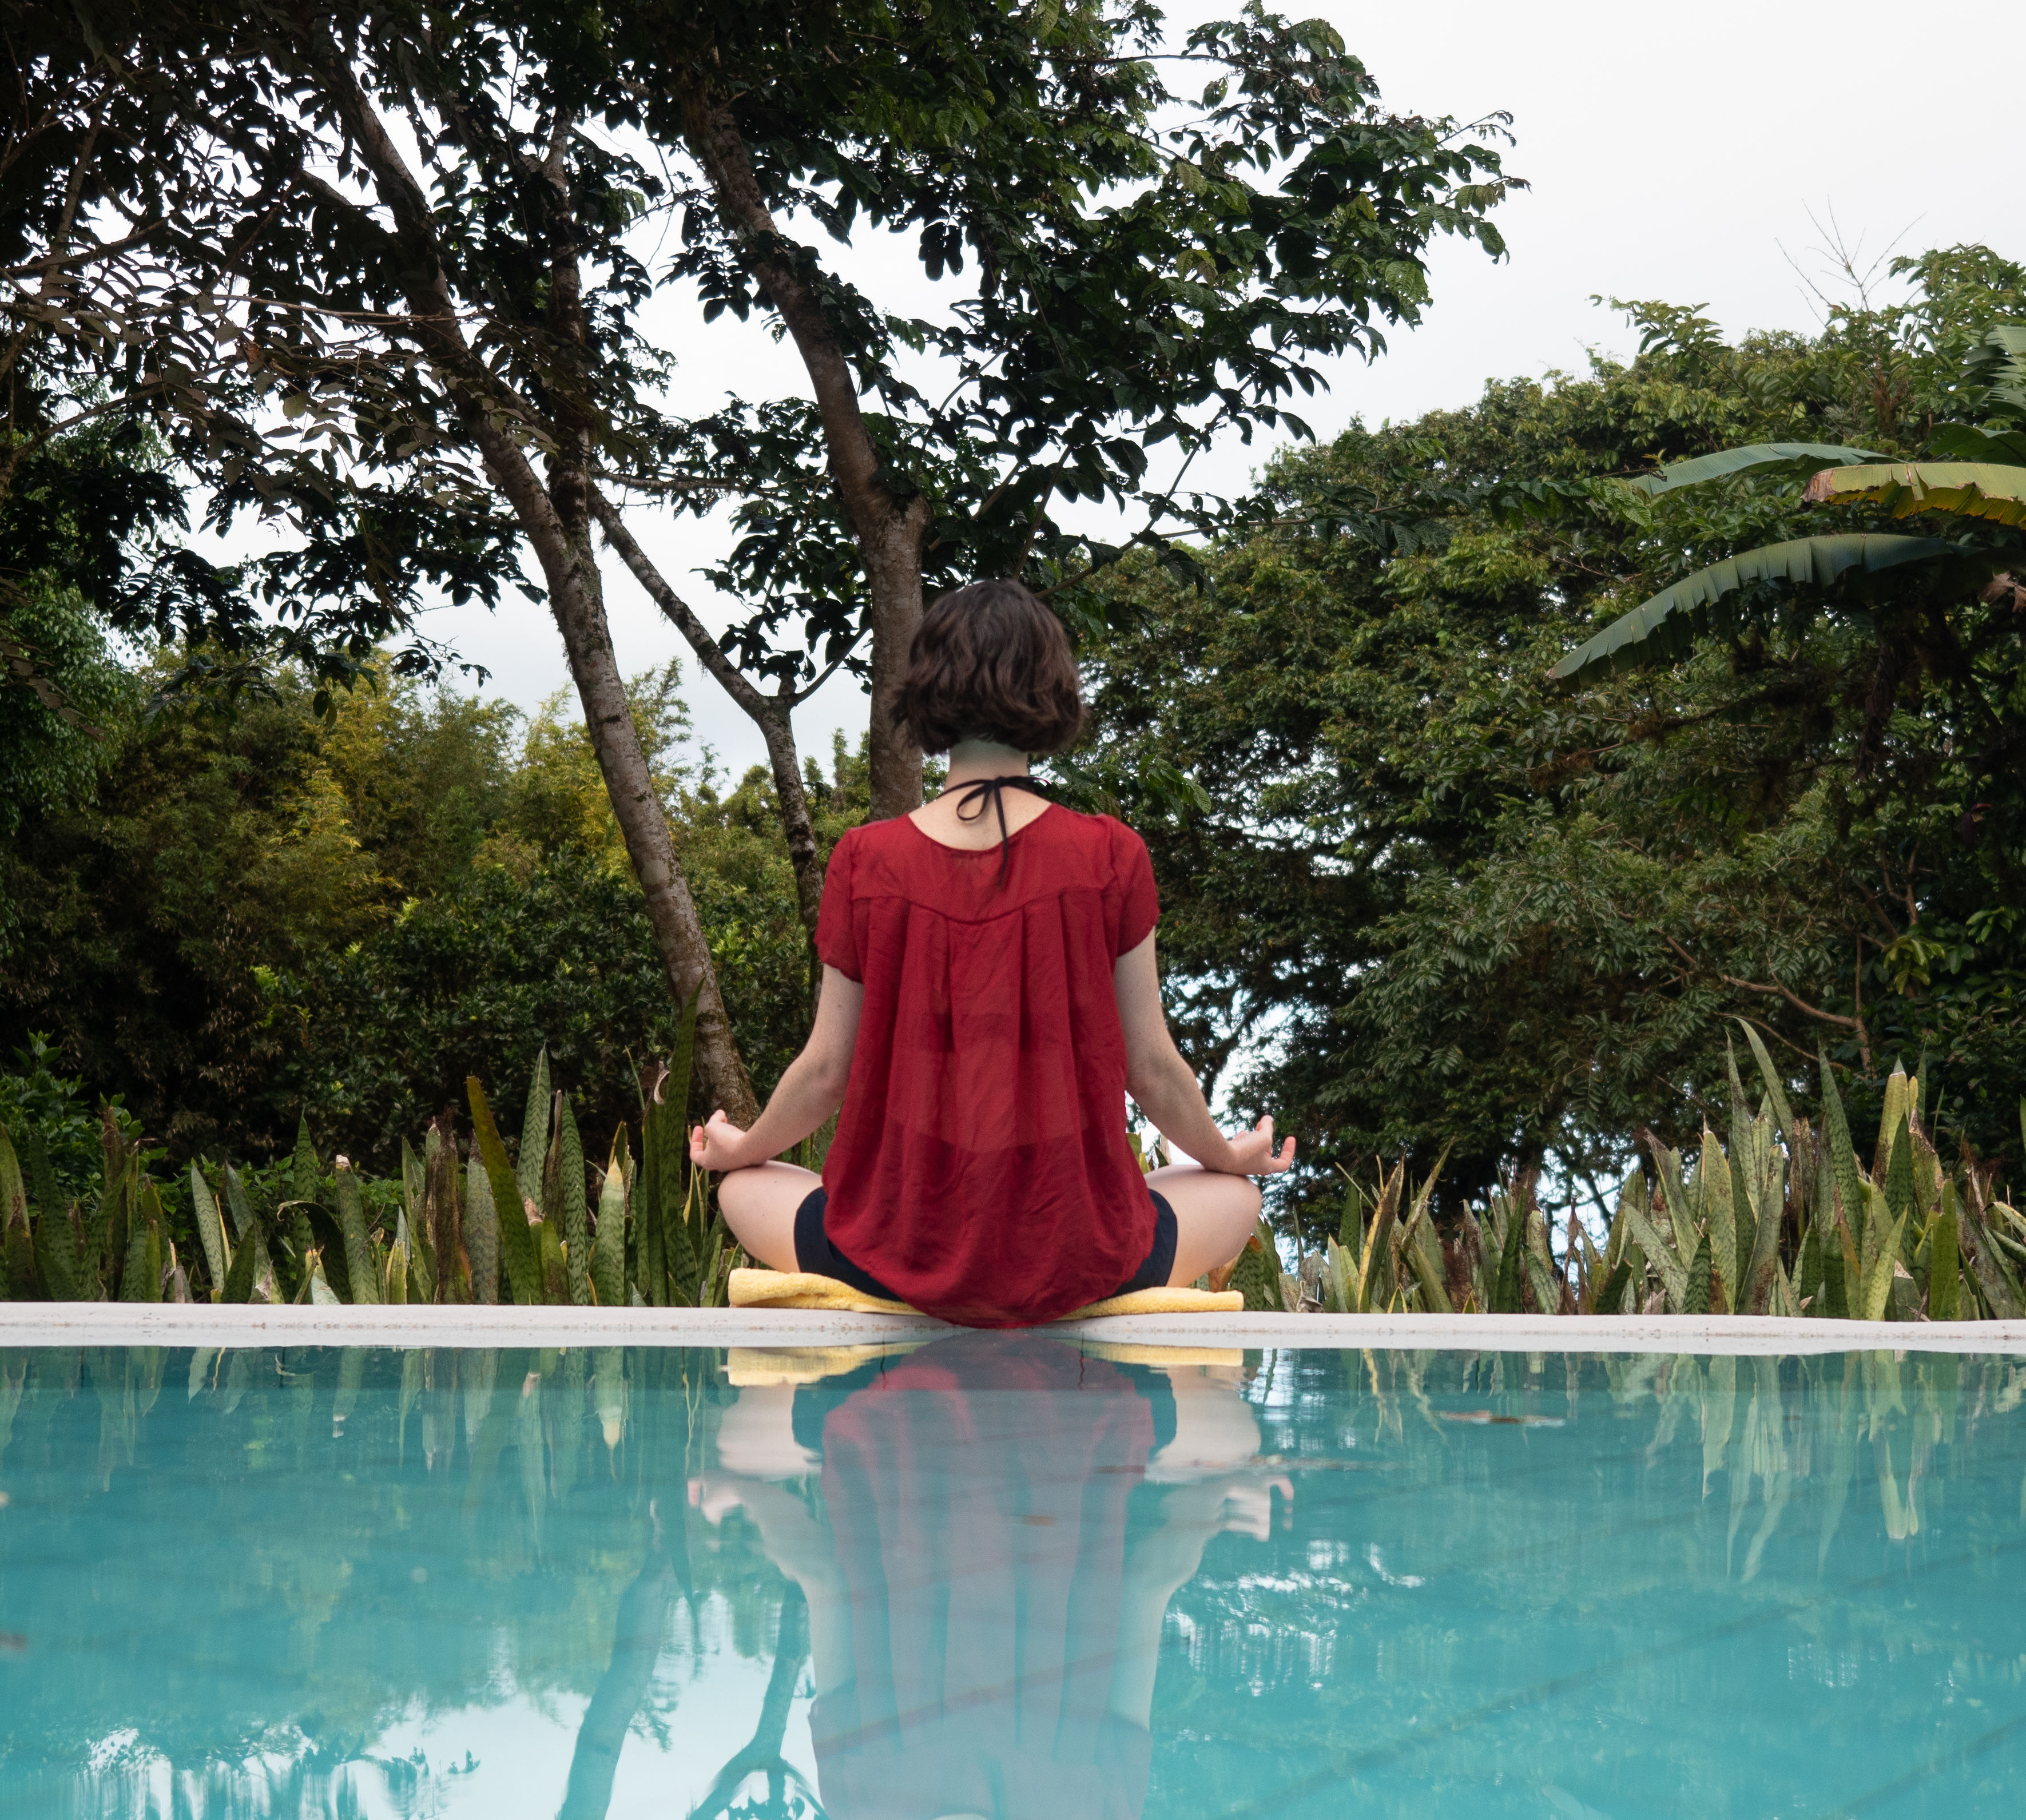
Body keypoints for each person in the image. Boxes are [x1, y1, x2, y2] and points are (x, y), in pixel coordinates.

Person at [689, 578, 1294, 1326]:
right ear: (1053, 692)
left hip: (889, 1255)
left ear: (928, 692)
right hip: (1079, 1256)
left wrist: (739, 1146)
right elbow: (1151, 1066)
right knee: (1233, 1198)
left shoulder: (864, 861)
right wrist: (1228, 1157)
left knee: (741, 1187)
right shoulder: (1111, 854)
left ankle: (885, 1290)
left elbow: (823, 1073)